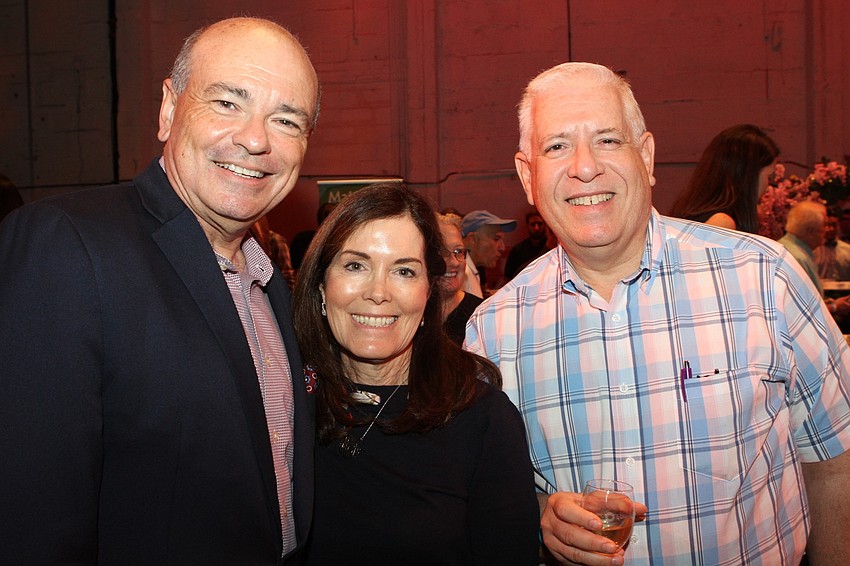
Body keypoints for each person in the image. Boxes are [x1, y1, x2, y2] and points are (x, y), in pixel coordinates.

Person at [465, 62, 850, 565]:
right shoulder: (493, 332)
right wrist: (542, 514)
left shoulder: (762, 277)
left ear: (645, 156)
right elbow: (488, 496)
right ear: (527, 175)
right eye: (556, 146)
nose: (584, 166)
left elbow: (835, 464)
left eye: (607, 140)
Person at [0, 17, 320, 564]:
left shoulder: (271, 286)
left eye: (286, 120)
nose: (255, 139)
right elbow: (33, 517)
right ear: (170, 108)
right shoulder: (68, 244)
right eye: (227, 103)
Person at [292, 184, 539, 565]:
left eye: (404, 271)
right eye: (355, 265)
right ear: (322, 284)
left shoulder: (482, 419)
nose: (378, 292)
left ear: (428, 293)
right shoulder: (286, 403)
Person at [669, 123, 779, 233]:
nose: (768, 186)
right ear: (749, 176)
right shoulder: (722, 222)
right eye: (769, 176)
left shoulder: (703, 211)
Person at [437, 212, 483, 344]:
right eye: (443, 252)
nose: (454, 262)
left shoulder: (481, 315)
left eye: (459, 252)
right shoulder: (412, 314)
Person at [461, 209, 517, 297]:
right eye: (496, 239)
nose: (502, 248)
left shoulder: (469, 272)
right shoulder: (461, 276)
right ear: (473, 239)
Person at [778, 200, 828, 295]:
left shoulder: (780, 246)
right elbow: (804, 303)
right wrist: (834, 306)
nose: (827, 230)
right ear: (811, 232)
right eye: (825, 225)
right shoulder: (798, 258)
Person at [504, 208, 550, 280]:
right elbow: (508, 277)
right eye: (533, 224)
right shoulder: (517, 250)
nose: (536, 228)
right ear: (527, 226)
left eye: (540, 224)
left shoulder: (551, 247)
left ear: (545, 225)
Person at [815, 209, 850, 281]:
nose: (831, 229)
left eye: (834, 225)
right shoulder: (813, 250)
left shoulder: (848, 250)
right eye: (827, 225)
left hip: (844, 291)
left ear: (838, 226)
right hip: (820, 290)